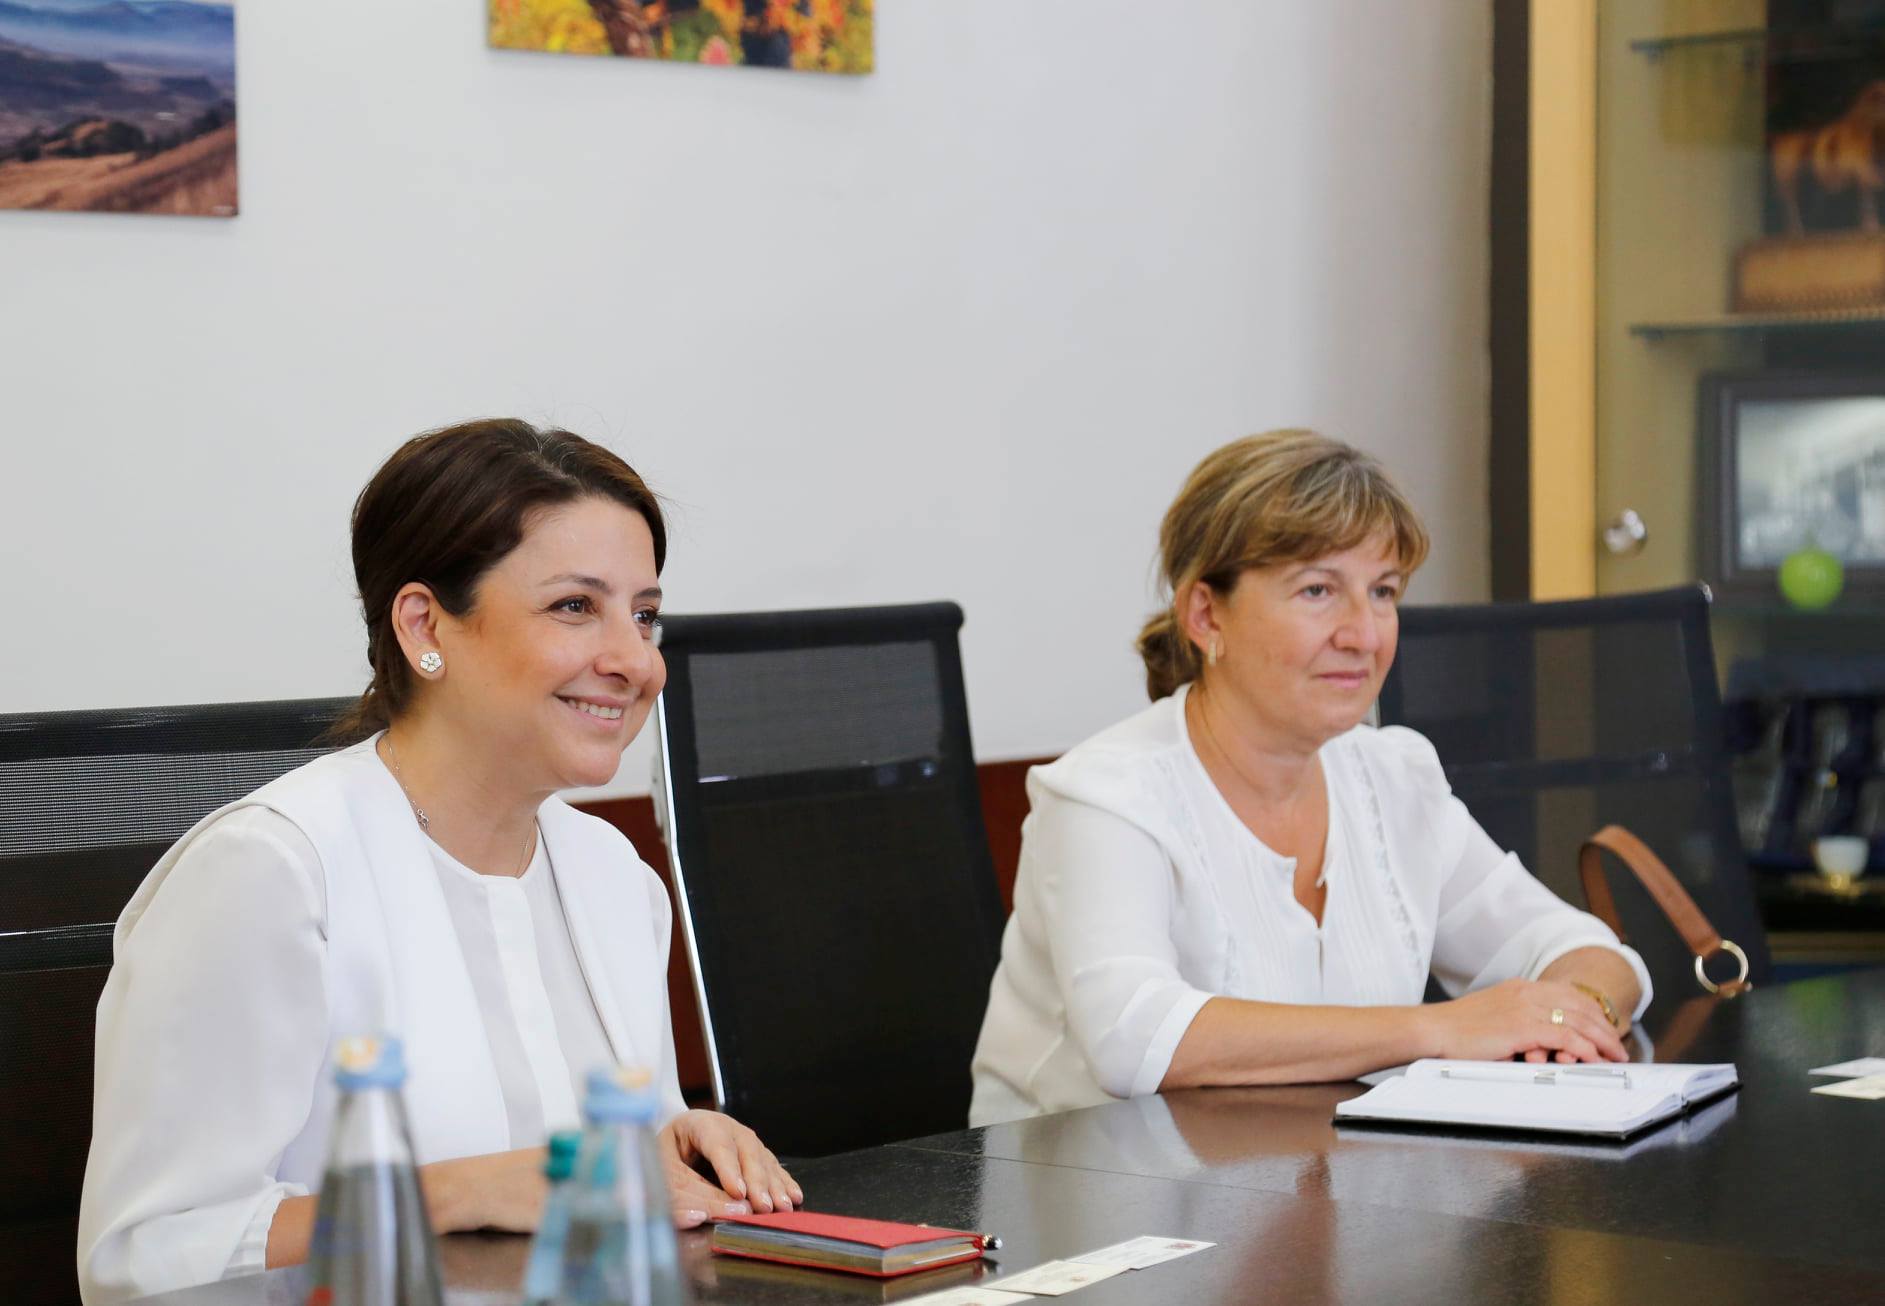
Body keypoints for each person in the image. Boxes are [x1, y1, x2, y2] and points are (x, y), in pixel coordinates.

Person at [78, 420, 800, 1304]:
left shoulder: (614, 874)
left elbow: (579, 1182)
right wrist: (452, 1193)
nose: (634, 661)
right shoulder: (270, 872)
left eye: (644, 615)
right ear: (424, 625)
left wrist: (672, 1145)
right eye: (575, 607)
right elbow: (140, 1256)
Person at [968, 429, 1650, 1126]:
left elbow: (1583, 950)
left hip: (1329, 1176)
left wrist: (1570, 1017)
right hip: (1097, 1184)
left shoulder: (1395, 776)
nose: (1363, 634)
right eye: (1318, 590)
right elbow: (1133, 1037)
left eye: (1382, 592)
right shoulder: (1107, 796)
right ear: (1205, 614)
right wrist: (1440, 1028)